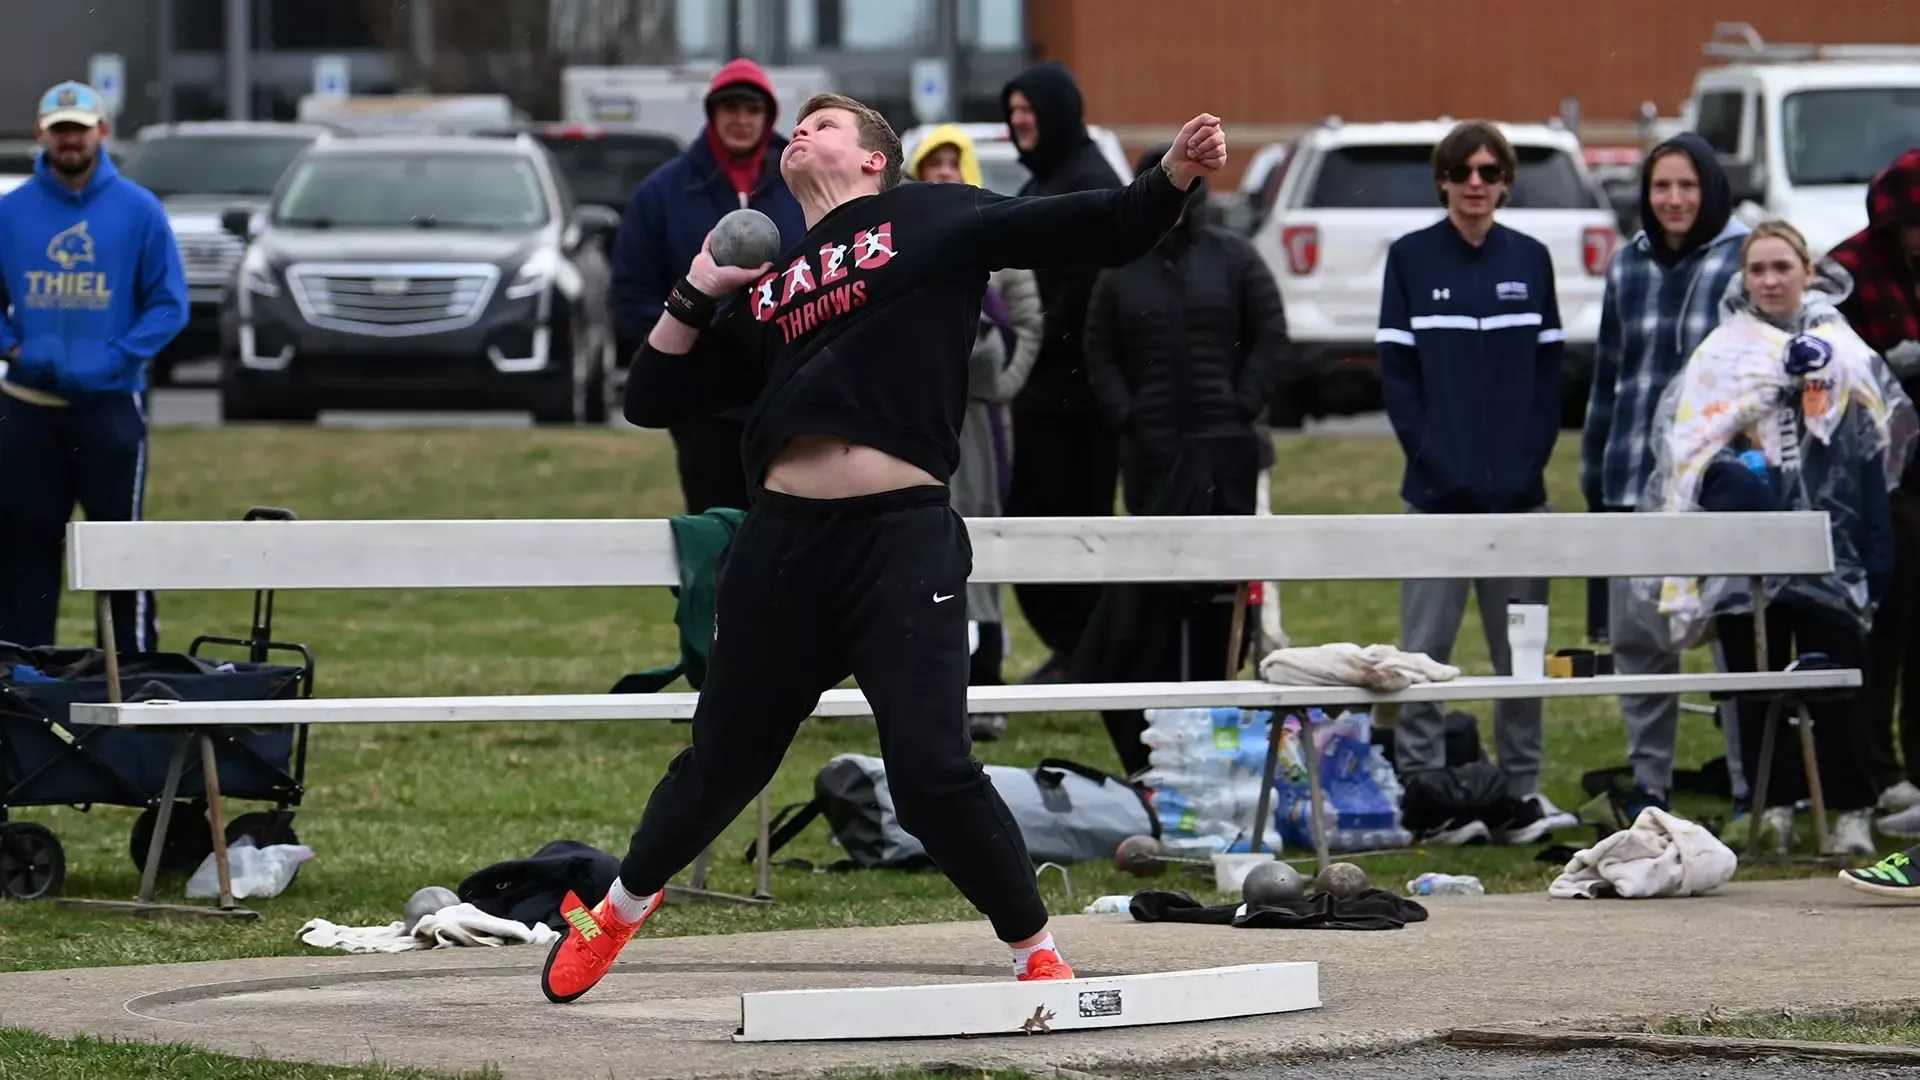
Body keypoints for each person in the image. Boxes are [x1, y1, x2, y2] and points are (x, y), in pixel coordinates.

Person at [540, 92, 1227, 1004]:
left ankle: (1036, 953)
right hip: (782, 545)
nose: (801, 132)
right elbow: (652, 394)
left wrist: (1174, 170)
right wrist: (701, 287)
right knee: (722, 763)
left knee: (933, 772)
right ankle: (618, 911)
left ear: (873, 159)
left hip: (900, 542)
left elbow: (1101, 225)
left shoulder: (933, 215)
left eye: (823, 124)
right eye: (802, 124)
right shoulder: (775, 287)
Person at [1632, 219, 1915, 856]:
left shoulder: (1841, 350)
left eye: (1781, 267)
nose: (1769, 280)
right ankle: (1773, 804)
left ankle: (1847, 809)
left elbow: (1871, 449)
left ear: (1806, 272)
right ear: (1744, 278)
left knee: (1841, 681)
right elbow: (1690, 451)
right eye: (1757, 269)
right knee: (1757, 682)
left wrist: (1873, 552)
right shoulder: (1721, 355)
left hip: (1831, 548)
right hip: (1745, 551)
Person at [1374, 120, 1569, 845]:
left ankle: (1521, 792)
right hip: (1435, 500)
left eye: (1490, 171)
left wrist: (1526, 466)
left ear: (1505, 180)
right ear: (1445, 180)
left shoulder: (1532, 259)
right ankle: (1427, 793)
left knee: (1523, 656)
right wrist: (1437, 466)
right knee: (1425, 650)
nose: (1477, 183)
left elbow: (1550, 380)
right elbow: (1400, 379)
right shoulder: (1411, 258)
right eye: (1464, 172)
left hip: (1520, 500)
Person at [1075, 143, 1288, 776]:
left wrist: (1241, 403)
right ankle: (1163, 740)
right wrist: (1130, 415)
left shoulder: (1236, 259)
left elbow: (1271, 336)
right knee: (1156, 599)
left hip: (1226, 461)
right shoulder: (1120, 270)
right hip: (1152, 462)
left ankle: (1224, 715)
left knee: (1223, 598)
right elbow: (1099, 351)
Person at [1581, 133, 1752, 823]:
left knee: (1732, 643)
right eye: (1661, 188)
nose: (1675, 200)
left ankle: (1750, 787)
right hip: (1632, 480)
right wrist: (1597, 476)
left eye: (1687, 186)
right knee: (1640, 641)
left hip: (1716, 487)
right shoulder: (1629, 265)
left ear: (1710, 189)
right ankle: (1651, 784)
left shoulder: (1744, 261)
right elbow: (1607, 378)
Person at [0, 81, 186, 654]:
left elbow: (168, 303)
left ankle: (133, 674)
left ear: (101, 131)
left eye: (80, 129)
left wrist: (118, 356)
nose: (70, 141)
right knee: (24, 549)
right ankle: (23, 682)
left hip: (110, 408)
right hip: (29, 410)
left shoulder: (138, 210)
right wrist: (15, 350)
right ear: (41, 134)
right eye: (60, 131)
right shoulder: (11, 213)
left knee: (119, 549)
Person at [610, 58, 806, 514]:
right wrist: (685, 344)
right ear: (713, 114)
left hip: (789, 393)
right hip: (703, 408)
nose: (741, 120)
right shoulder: (664, 192)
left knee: (792, 529)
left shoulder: (800, 185)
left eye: (751, 109)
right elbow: (631, 292)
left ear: (768, 116)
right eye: (730, 108)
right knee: (716, 527)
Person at [907, 125, 1044, 742]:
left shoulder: (1001, 238)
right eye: (930, 164)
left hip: (981, 424)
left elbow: (1027, 326)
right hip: (921, 423)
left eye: (951, 163)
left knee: (981, 545)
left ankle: (986, 680)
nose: (942, 174)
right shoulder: (901, 243)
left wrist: (1001, 383)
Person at [999, 61, 1126, 683]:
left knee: (1074, 524)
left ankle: (1084, 651)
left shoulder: (1087, 181)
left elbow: (1083, 291)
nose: (1020, 121)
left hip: (1079, 402)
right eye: (1013, 111)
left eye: (1029, 110)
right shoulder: (1044, 183)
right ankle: (1072, 646)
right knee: (1031, 518)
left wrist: (1033, 338)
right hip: (1038, 392)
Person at [1827, 147, 1920, 829]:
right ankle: (1879, 769)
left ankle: (1915, 768)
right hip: (1883, 480)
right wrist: (1886, 361)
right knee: (1884, 627)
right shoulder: (1850, 271)